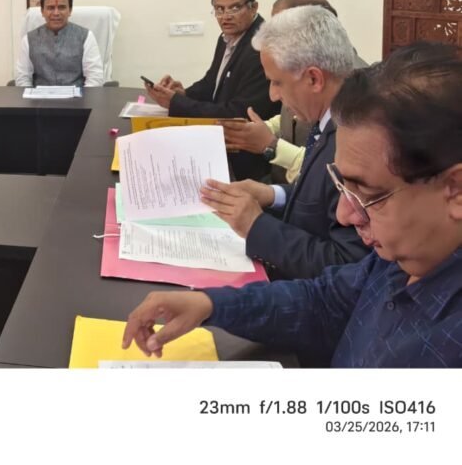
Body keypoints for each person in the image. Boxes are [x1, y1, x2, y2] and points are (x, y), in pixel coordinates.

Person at [123, 42, 462, 368]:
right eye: (342, 186)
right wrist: (210, 303)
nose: (344, 214)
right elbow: (324, 301)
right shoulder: (399, 258)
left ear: (456, 190)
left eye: (369, 195)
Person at [199, 6, 367, 279]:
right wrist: (272, 194)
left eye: (276, 82)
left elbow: (346, 266)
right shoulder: (329, 117)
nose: (272, 96)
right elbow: (319, 199)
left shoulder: (355, 140)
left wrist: (256, 226)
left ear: (314, 78)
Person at [220, 0, 365, 183]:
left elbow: (329, 178)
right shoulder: (307, 82)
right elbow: (290, 119)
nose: (272, 95)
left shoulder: (356, 99)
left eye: (281, 28)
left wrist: (271, 146)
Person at [145, 0, 279, 180]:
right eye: (219, 9)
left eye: (234, 8)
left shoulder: (260, 48)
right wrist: (183, 93)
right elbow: (211, 83)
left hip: (243, 158)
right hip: (219, 139)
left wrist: (177, 103)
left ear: (253, 7)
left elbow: (238, 113)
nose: (226, 16)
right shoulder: (227, 37)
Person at [15, 0, 104, 88]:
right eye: (50, 8)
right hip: (39, 96)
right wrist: (30, 96)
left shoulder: (86, 36)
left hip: (77, 96)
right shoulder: (29, 39)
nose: (56, 13)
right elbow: (23, 77)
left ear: (70, 10)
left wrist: (83, 97)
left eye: (62, 7)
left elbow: (95, 77)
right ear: (42, 11)